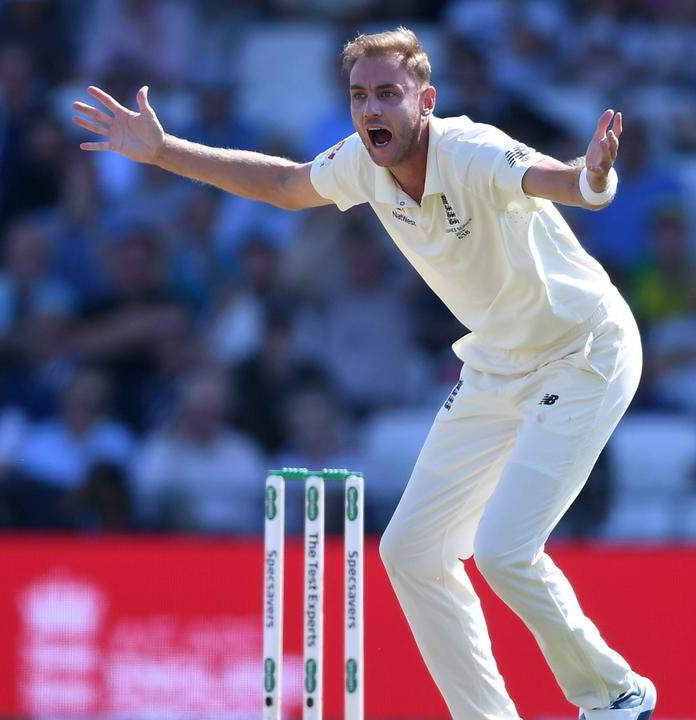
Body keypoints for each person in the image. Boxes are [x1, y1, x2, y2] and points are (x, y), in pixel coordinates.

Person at [73, 25, 655, 720]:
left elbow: (565, 183)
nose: (372, 109)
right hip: (499, 363)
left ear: (426, 100)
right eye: (359, 96)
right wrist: (165, 151)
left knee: (503, 550)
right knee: (410, 552)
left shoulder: (472, 149)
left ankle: (614, 693)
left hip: (584, 349)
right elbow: (288, 186)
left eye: (388, 94)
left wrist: (593, 175)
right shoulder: (360, 163)